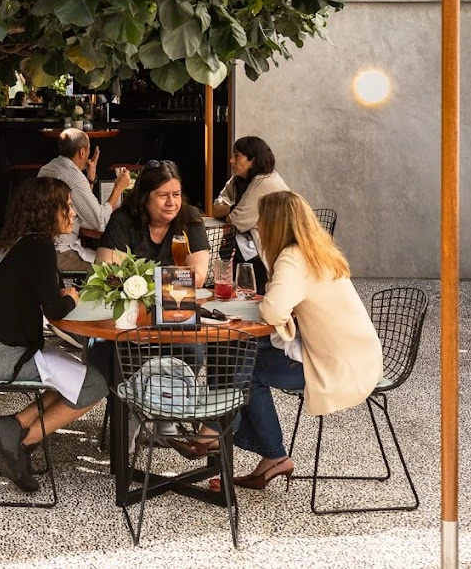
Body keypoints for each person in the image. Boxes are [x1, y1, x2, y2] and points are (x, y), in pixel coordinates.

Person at [222, 191, 382, 490]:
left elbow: (272, 311)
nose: (258, 226)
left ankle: (257, 449)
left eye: (261, 220)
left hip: (336, 367)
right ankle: (222, 433)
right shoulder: (319, 251)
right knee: (241, 352)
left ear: (275, 224)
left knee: (246, 368)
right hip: (358, 356)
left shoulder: (293, 257)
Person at [0, 178, 109, 492]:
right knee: (96, 383)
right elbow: (56, 310)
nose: (73, 214)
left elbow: (48, 299)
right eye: (67, 206)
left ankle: (15, 426)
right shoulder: (39, 248)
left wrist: (64, 296)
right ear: (47, 210)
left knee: (78, 378)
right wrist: (73, 298)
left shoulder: (28, 244)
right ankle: (21, 442)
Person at [95, 161, 209, 282]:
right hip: (132, 294)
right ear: (145, 198)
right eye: (163, 195)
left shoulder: (190, 217)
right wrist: (172, 276)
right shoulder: (122, 219)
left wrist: (149, 278)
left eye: (176, 195)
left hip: (176, 294)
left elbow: (198, 277)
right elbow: (108, 273)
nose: (171, 203)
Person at [38, 128, 133, 271]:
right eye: (89, 149)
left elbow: (81, 205)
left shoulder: (47, 168)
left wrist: (90, 177)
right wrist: (118, 188)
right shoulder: (74, 178)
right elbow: (100, 221)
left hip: (45, 247)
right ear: (82, 152)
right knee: (114, 269)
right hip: (61, 251)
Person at [213, 136, 290, 293]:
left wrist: (229, 211)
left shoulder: (264, 182)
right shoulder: (238, 180)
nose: (231, 160)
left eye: (237, 156)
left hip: (272, 251)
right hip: (255, 246)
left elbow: (235, 221)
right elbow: (216, 208)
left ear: (252, 161)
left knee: (225, 249)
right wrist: (233, 208)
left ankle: (243, 293)